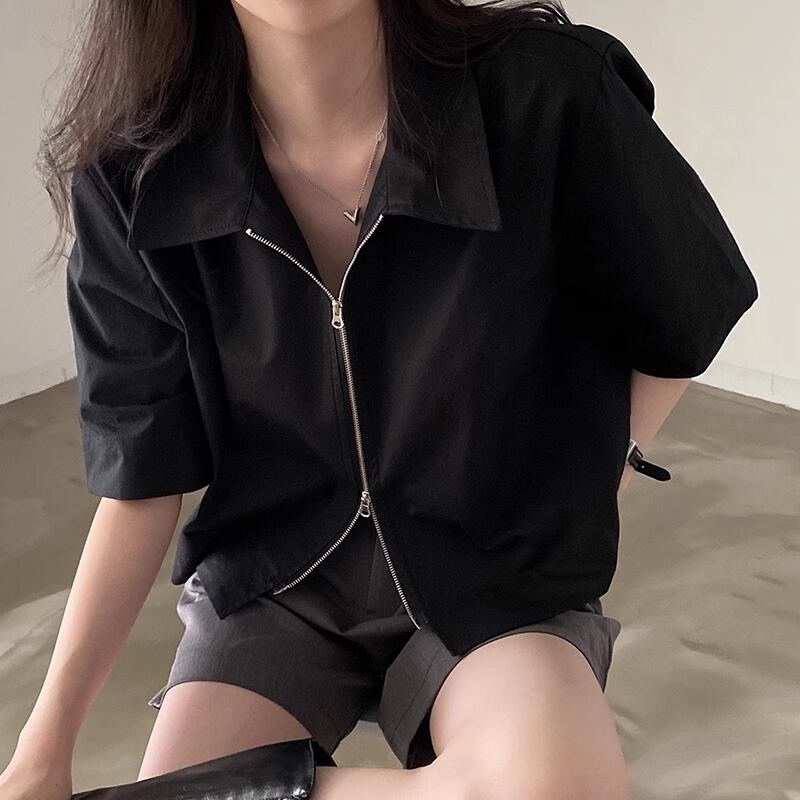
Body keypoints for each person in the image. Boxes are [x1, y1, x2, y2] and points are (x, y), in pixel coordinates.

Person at [2, 1, 758, 799]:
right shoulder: (136, 175)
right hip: (274, 581)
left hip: (495, 564)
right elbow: (140, 479)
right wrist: (44, 749)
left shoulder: (545, 93)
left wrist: (593, 478)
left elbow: (688, 308)